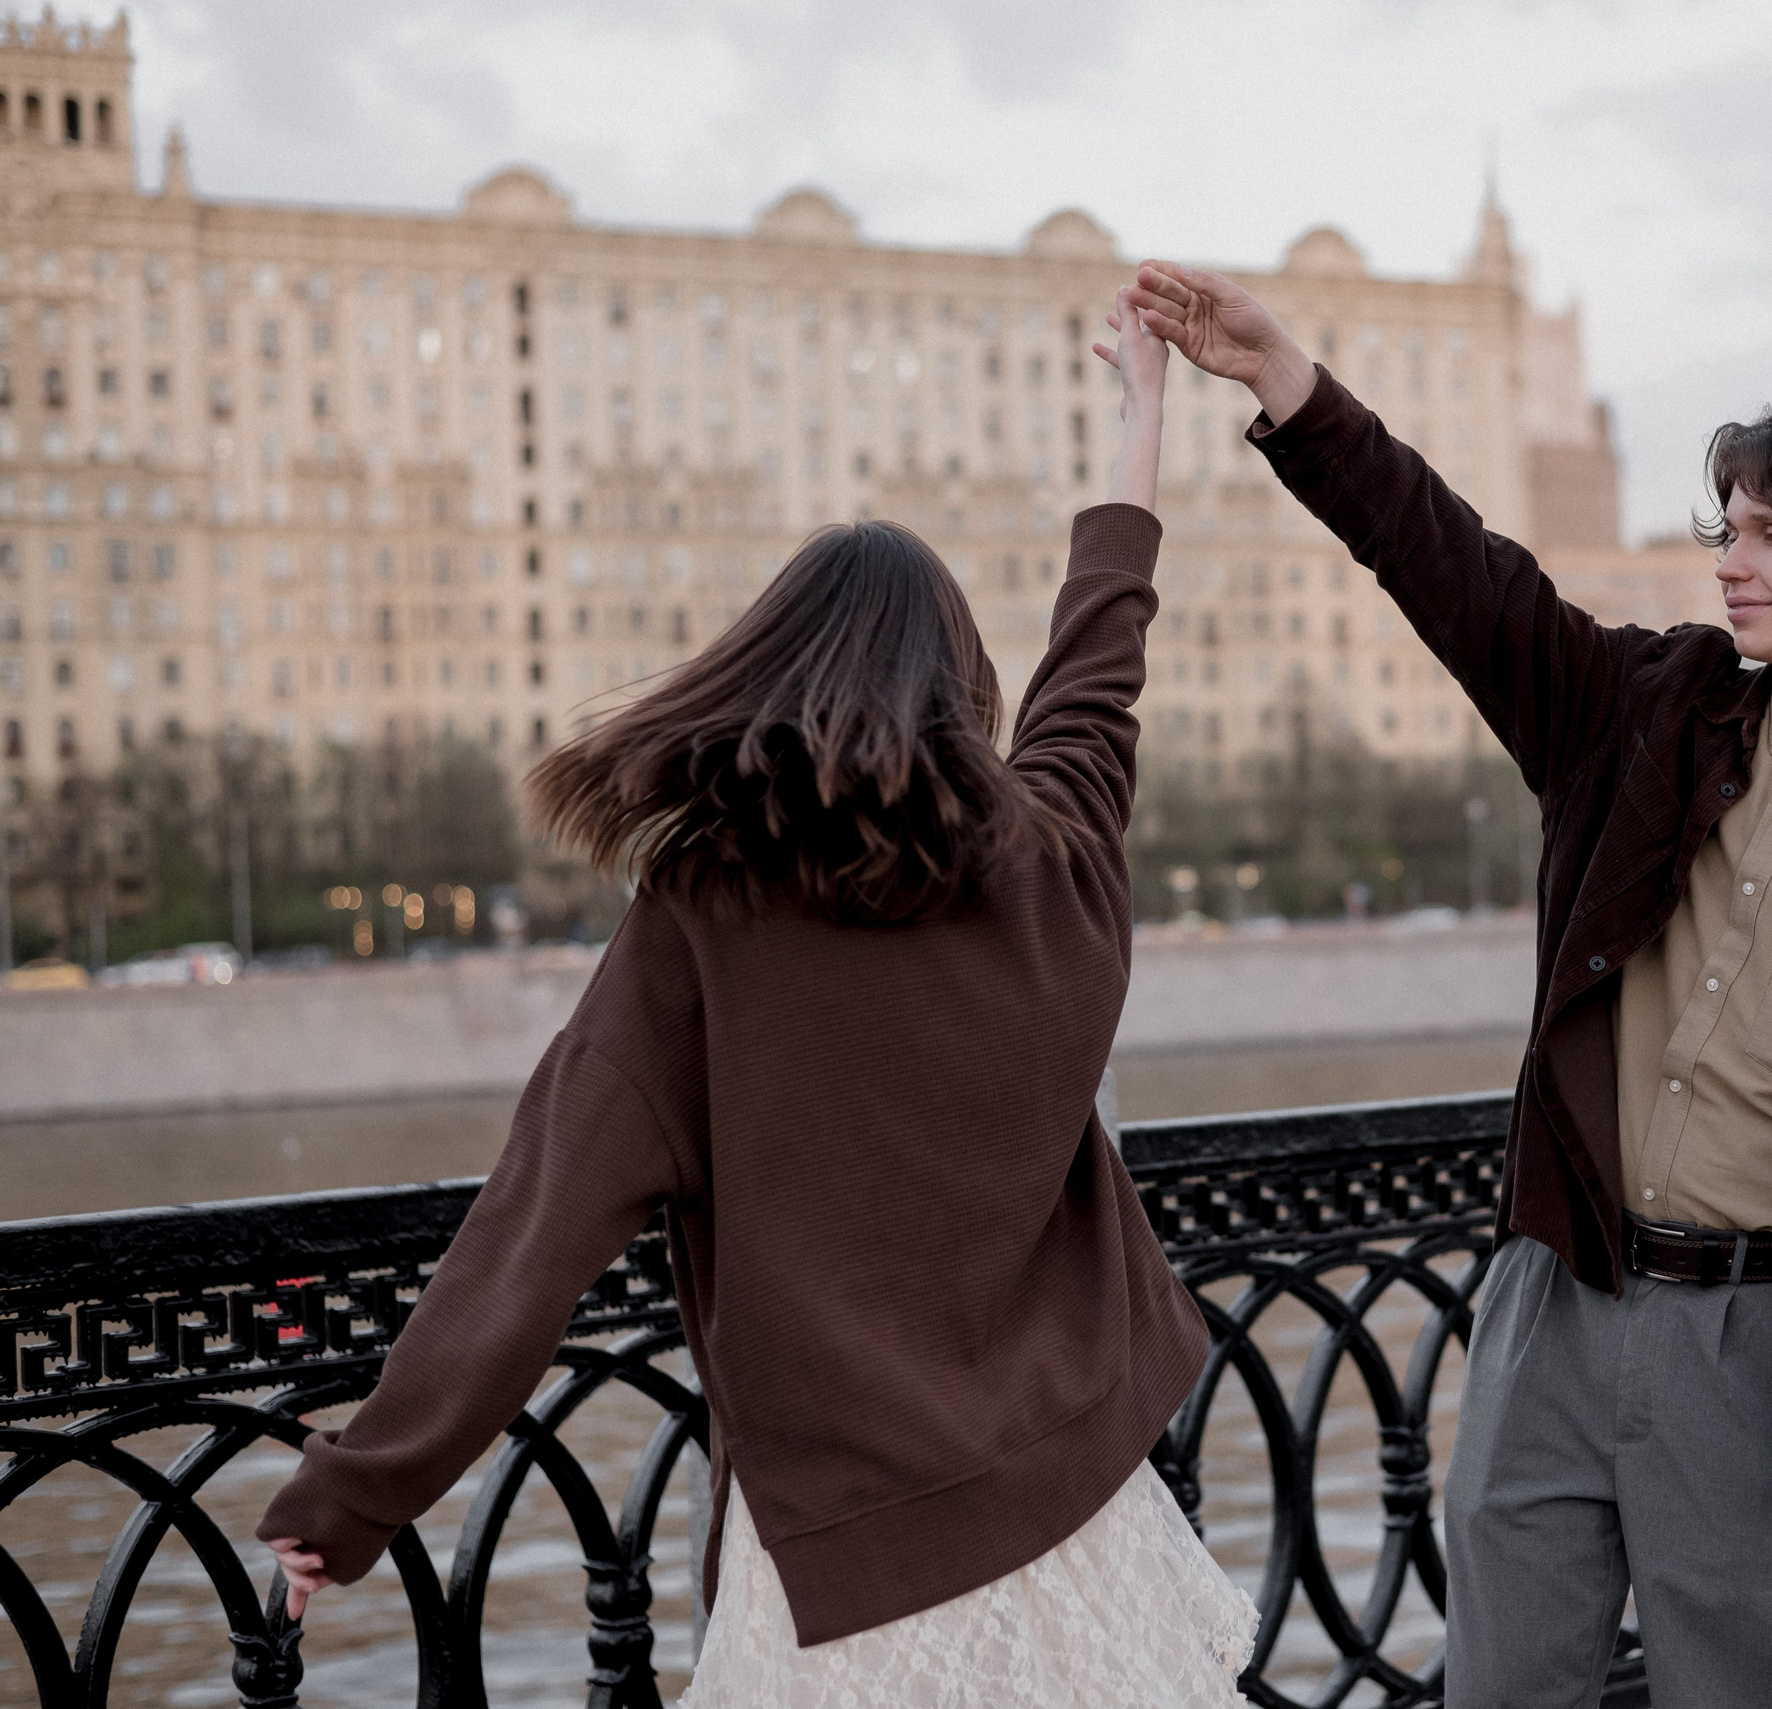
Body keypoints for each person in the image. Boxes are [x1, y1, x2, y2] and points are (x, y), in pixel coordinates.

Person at [258, 290, 1260, 1707]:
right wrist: (1140, 414)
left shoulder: (700, 921)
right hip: (1075, 1536)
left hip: (841, 1592)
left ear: (768, 675)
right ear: (963, 686)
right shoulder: (1053, 864)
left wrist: (355, 1493)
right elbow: (1102, 660)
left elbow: (528, 1241)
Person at [1122, 262, 1772, 1708]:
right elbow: (1453, 569)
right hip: (1557, 1297)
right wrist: (1287, 385)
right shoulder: (1646, 711)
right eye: (1730, 528)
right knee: (1504, 1689)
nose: (1732, 560)